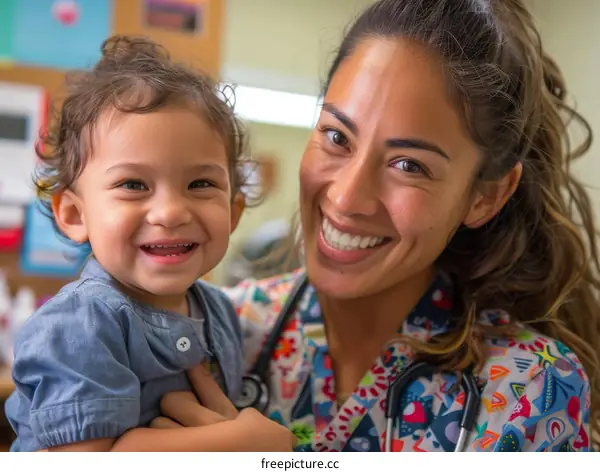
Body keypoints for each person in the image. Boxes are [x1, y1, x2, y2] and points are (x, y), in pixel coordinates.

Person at [150, 0, 600, 452]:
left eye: (409, 164)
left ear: (486, 196)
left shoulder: (532, 390)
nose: (346, 197)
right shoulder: (209, 328)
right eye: (336, 136)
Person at [4, 35, 296, 452]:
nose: (171, 212)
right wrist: (240, 443)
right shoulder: (79, 323)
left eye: (200, 183)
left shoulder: (221, 312)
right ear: (74, 215)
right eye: (133, 184)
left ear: (233, 212)